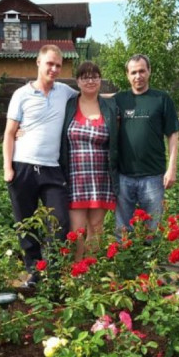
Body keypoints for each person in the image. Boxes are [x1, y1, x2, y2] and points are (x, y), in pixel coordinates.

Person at [3, 44, 78, 288]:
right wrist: (8, 169)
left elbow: (90, 95)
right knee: (26, 223)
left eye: (58, 65)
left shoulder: (64, 92)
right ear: (38, 62)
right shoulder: (21, 95)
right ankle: (33, 272)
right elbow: (9, 133)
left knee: (59, 222)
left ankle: (53, 270)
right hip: (22, 167)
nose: (54, 69)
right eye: (50, 64)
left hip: (51, 169)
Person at [114, 54, 179, 233]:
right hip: (124, 177)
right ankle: (124, 261)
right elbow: (94, 97)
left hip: (153, 176)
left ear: (149, 71)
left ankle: (151, 261)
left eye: (142, 71)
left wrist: (172, 168)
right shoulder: (119, 100)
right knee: (122, 231)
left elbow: (173, 135)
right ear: (127, 75)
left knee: (153, 230)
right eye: (133, 72)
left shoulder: (162, 99)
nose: (138, 76)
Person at [59, 61, 118, 259]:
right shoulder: (68, 105)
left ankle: (91, 272)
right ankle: (78, 271)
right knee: (77, 230)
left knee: (96, 227)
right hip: (75, 178)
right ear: (77, 81)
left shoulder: (109, 106)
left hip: (101, 178)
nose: (90, 80)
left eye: (95, 76)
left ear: (100, 80)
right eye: (85, 77)